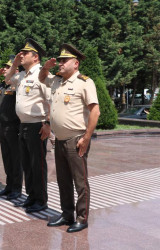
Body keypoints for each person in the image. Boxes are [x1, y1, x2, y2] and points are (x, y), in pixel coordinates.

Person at [39, 44, 100, 233]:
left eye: (64, 60)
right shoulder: (57, 81)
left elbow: (95, 111)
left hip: (76, 139)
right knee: (63, 180)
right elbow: (41, 78)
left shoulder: (84, 82)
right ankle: (67, 214)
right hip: (60, 139)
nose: (60, 63)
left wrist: (87, 138)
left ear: (75, 63)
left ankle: (82, 218)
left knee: (80, 182)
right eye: (59, 60)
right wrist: (46, 67)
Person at [5, 38, 51, 213]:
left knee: (37, 165)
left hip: (37, 125)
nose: (21, 55)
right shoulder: (22, 75)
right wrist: (15, 63)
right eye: (21, 53)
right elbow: (8, 79)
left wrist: (47, 123)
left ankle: (41, 200)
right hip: (23, 125)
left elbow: (50, 100)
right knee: (27, 164)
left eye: (25, 54)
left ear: (36, 58)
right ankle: (31, 197)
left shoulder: (42, 75)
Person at [0, 55, 23, 200]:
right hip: (3, 126)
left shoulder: (17, 86)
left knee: (16, 159)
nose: (5, 69)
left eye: (8, 67)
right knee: (6, 158)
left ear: (15, 70)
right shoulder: (2, 86)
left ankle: (16, 188)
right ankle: (9, 186)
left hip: (14, 127)